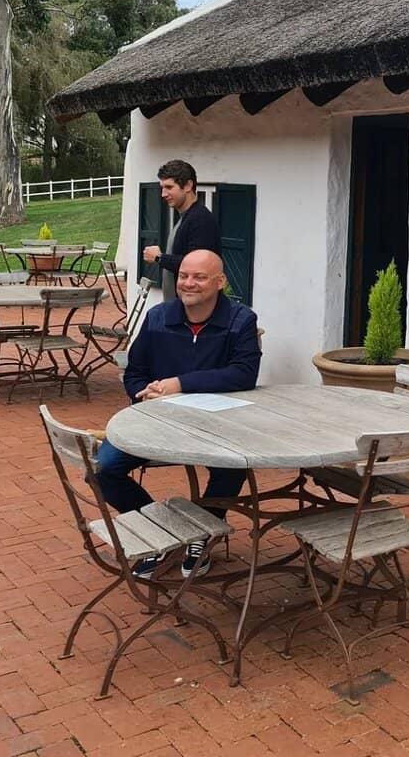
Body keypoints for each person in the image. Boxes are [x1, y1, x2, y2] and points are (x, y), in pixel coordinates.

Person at [95, 249, 261, 578]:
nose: (189, 283)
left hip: (218, 422)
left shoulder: (241, 320)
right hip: (157, 419)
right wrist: (145, 396)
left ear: (220, 282)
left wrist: (180, 383)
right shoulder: (158, 318)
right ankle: (163, 531)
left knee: (234, 464)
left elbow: (244, 374)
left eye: (199, 277)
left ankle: (205, 531)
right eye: (184, 275)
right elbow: (135, 371)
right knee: (104, 470)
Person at [142, 159, 222, 302]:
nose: (163, 194)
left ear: (188, 186)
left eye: (169, 187)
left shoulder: (200, 219)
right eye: (162, 188)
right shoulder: (185, 217)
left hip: (193, 309)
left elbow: (198, 267)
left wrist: (160, 257)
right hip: (179, 308)